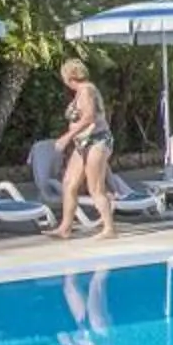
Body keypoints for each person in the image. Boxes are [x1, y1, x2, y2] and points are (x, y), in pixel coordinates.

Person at [53, 58, 116, 240]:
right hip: (83, 143)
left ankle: (109, 228)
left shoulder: (87, 91)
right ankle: (65, 227)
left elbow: (89, 118)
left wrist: (66, 137)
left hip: (96, 141)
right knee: (69, 183)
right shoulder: (81, 92)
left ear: (70, 76)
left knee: (95, 187)